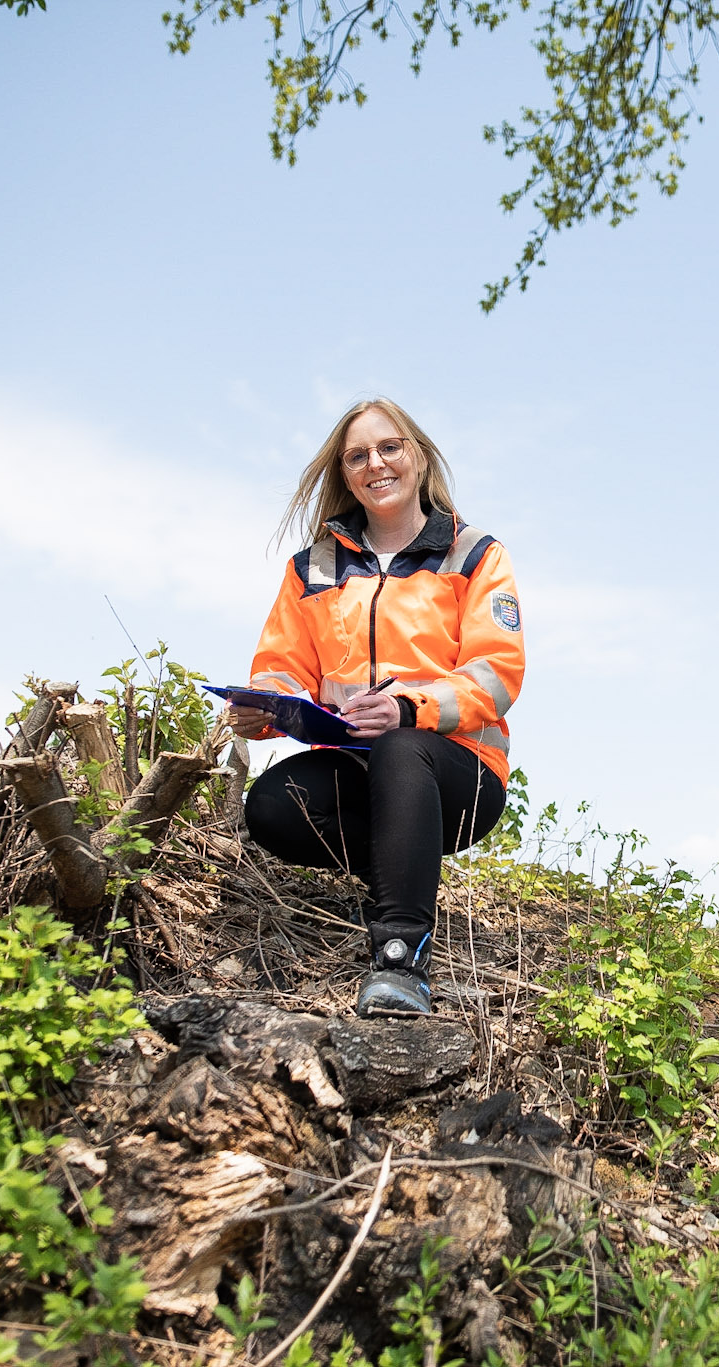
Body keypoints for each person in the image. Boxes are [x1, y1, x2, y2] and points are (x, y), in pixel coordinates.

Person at [226, 398, 523, 1015]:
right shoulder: (313, 568)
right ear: (344, 473)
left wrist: (409, 709)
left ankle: (402, 958)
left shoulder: (474, 554)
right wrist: (266, 707)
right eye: (357, 455)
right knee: (273, 809)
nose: (375, 463)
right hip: (355, 767)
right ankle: (400, 874)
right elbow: (282, 662)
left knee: (401, 746)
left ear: (417, 456)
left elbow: (496, 673)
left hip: (457, 774)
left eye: (389, 447)